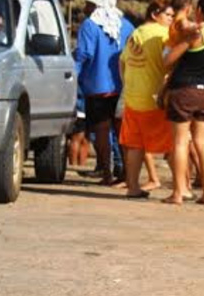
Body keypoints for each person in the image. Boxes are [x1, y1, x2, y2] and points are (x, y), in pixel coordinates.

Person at [163, 0, 204, 205]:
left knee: (180, 143)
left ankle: (178, 193)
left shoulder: (194, 33)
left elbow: (168, 60)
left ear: (198, 11)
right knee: (202, 143)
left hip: (183, 91)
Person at [119, 0, 176, 198]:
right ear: (154, 14)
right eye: (168, 15)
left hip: (133, 97)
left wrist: (127, 86)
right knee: (173, 143)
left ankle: (132, 187)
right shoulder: (164, 35)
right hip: (154, 98)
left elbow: (122, 62)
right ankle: (181, 188)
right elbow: (171, 64)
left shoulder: (135, 34)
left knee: (135, 144)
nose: (171, 19)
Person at [75, 0, 134, 185]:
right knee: (121, 131)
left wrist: (71, 77)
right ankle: (127, 173)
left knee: (101, 130)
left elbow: (84, 53)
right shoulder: (126, 25)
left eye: (88, 3)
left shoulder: (90, 25)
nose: (85, 8)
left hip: (97, 86)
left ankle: (106, 173)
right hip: (122, 85)